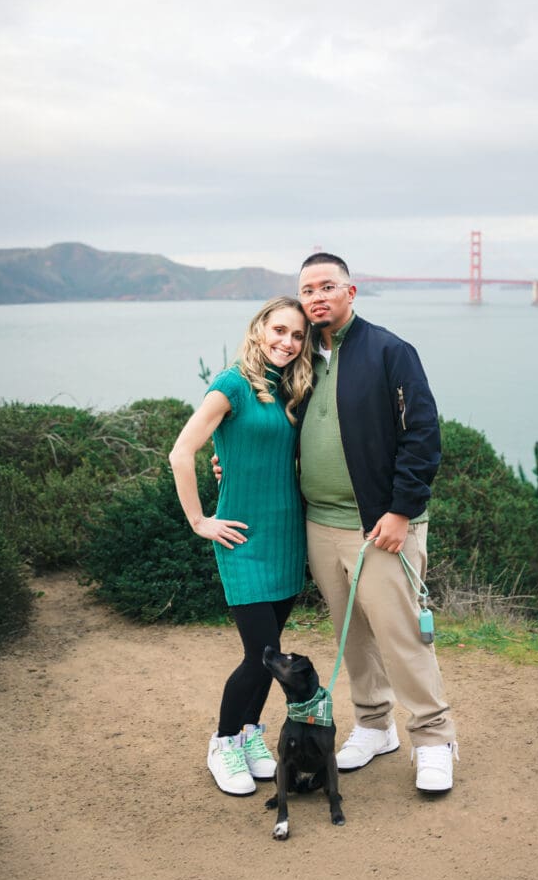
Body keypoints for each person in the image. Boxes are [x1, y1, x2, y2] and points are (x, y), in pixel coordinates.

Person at [295, 253, 458, 792]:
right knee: (353, 633)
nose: (317, 297)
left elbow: (423, 433)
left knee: (401, 634)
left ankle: (434, 738)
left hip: (379, 523)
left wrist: (401, 511)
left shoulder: (390, 351)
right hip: (321, 524)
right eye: (307, 291)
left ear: (351, 291)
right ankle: (373, 724)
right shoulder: (296, 360)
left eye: (327, 286)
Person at [169, 296, 313, 796]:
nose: (287, 343)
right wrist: (198, 520)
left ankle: (252, 734)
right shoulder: (232, 383)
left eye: (297, 336)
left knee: (268, 655)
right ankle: (224, 741)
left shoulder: (292, 387)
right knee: (262, 653)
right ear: (258, 331)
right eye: (278, 331)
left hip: (287, 536)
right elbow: (181, 451)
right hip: (241, 538)